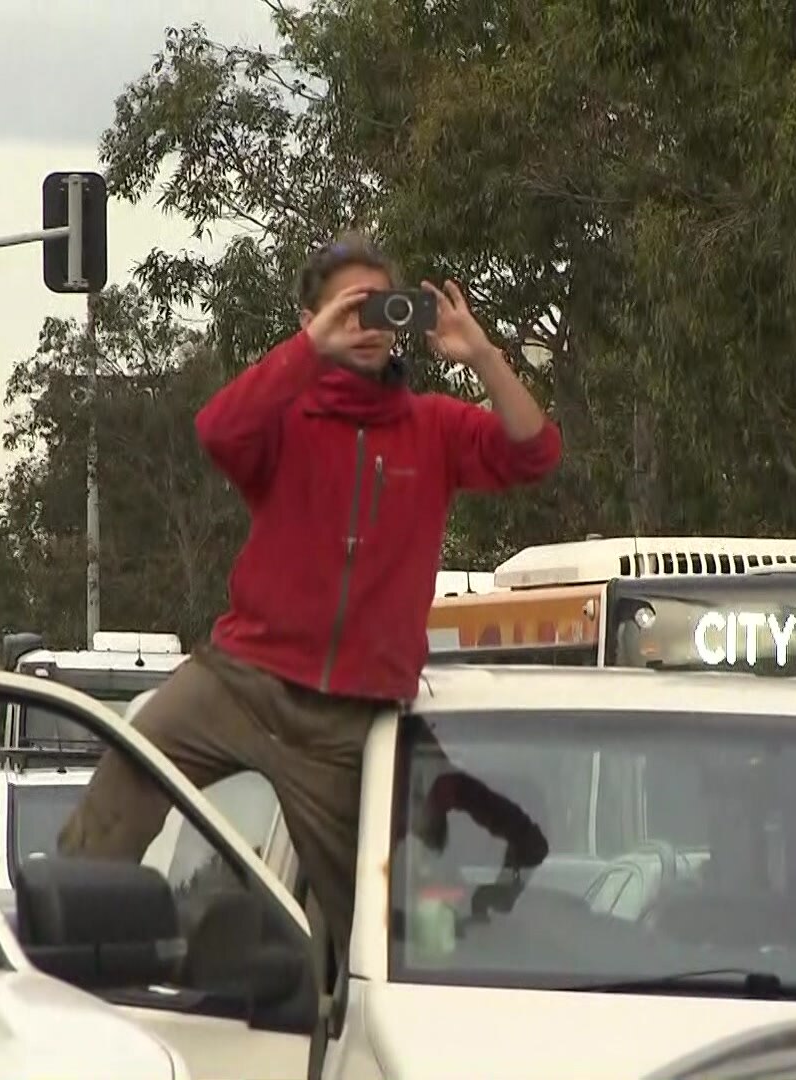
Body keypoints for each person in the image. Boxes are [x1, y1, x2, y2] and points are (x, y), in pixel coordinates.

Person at [59, 231, 560, 966]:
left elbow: (533, 453)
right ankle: (54, 953)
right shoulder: (284, 417)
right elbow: (217, 430)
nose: (368, 327)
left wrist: (482, 356)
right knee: (130, 768)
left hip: (350, 717)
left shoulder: (434, 428)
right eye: (347, 311)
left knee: (385, 930)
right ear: (310, 319)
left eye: (382, 309)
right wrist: (308, 351)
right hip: (244, 678)